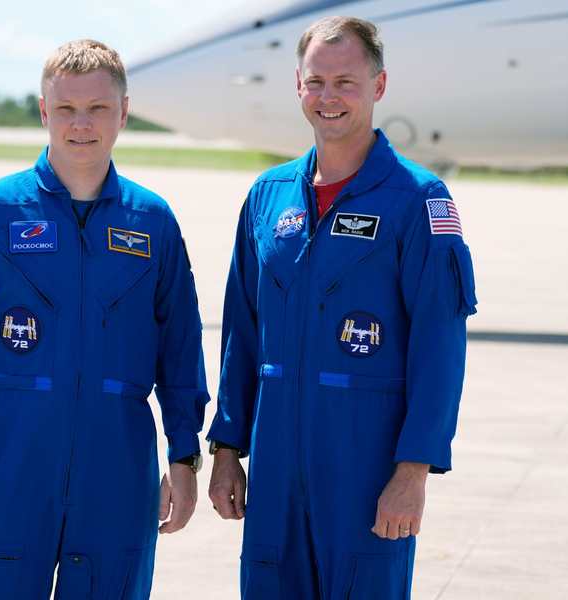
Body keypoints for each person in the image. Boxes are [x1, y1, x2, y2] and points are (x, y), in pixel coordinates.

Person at [0, 39, 209, 599]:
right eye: (67, 109)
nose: (82, 124)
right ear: (44, 112)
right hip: (7, 464)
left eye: (98, 108)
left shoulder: (154, 224)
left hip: (117, 471)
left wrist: (182, 453)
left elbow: (180, 349)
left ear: (123, 112)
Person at [207, 16, 477, 599]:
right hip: (276, 467)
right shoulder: (267, 196)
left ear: (378, 87)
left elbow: (440, 345)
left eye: (346, 82)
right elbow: (242, 333)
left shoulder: (419, 200)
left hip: (366, 466)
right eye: (316, 81)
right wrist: (227, 448)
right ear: (298, 86)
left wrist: (413, 473)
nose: (329, 97)